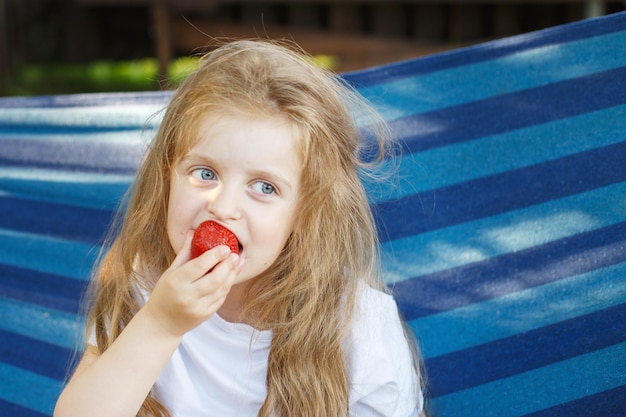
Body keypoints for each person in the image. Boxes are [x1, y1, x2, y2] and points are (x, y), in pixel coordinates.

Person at [54, 39, 426, 417]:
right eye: (205, 173)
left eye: (264, 187)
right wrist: (160, 324)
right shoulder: (145, 288)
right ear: (167, 177)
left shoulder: (358, 327)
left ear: (307, 212)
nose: (223, 206)